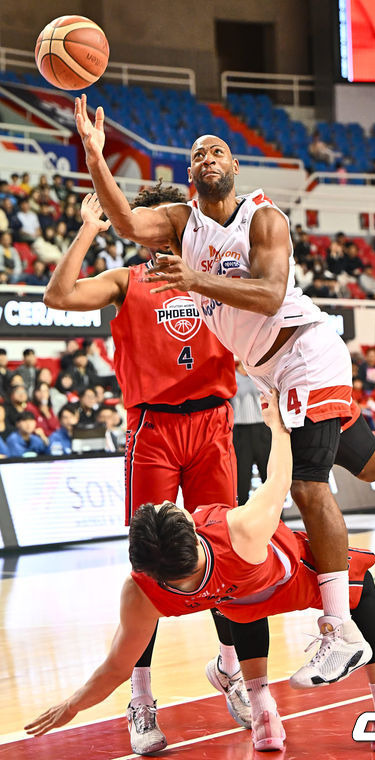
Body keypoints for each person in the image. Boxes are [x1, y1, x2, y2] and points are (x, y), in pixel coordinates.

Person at [75, 91, 375, 652]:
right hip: (276, 370)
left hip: (303, 352)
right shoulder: (179, 223)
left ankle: (338, 630)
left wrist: (195, 283)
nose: (208, 157)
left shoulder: (264, 218)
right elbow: (122, 220)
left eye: (217, 150)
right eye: (198, 154)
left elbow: (267, 295)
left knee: (311, 486)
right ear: (190, 172)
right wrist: (95, 154)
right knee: (372, 460)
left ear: (235, 167)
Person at [25, 392, 375, 754]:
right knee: (360, 582)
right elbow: (279, 478)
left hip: (234, 602)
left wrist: (73, 704)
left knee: (238, 607)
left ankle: (263, 714)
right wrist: (277, 427)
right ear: (187, 524)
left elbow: (114, 668)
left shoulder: (142, 591)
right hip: (289, 581)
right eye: (171, 507)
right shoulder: (239, 531)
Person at [43, 189, 261, 755]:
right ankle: (140, 699)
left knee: (229, 555)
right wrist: (89, 226)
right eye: (152, 223)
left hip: (214, 422)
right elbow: (59, 295)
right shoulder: (125, 280)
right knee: (149, 565)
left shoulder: (215, 276)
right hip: (155, 429)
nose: (162, 230)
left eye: (172, 222)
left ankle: (231, 668)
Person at [231, 360, 271, 506]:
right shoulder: (232, 376)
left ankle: (277, 521)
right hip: (241, 433)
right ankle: (243, 523)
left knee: (269, 479)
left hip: (263, 430)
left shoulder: (260, 374)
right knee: (242, 481)